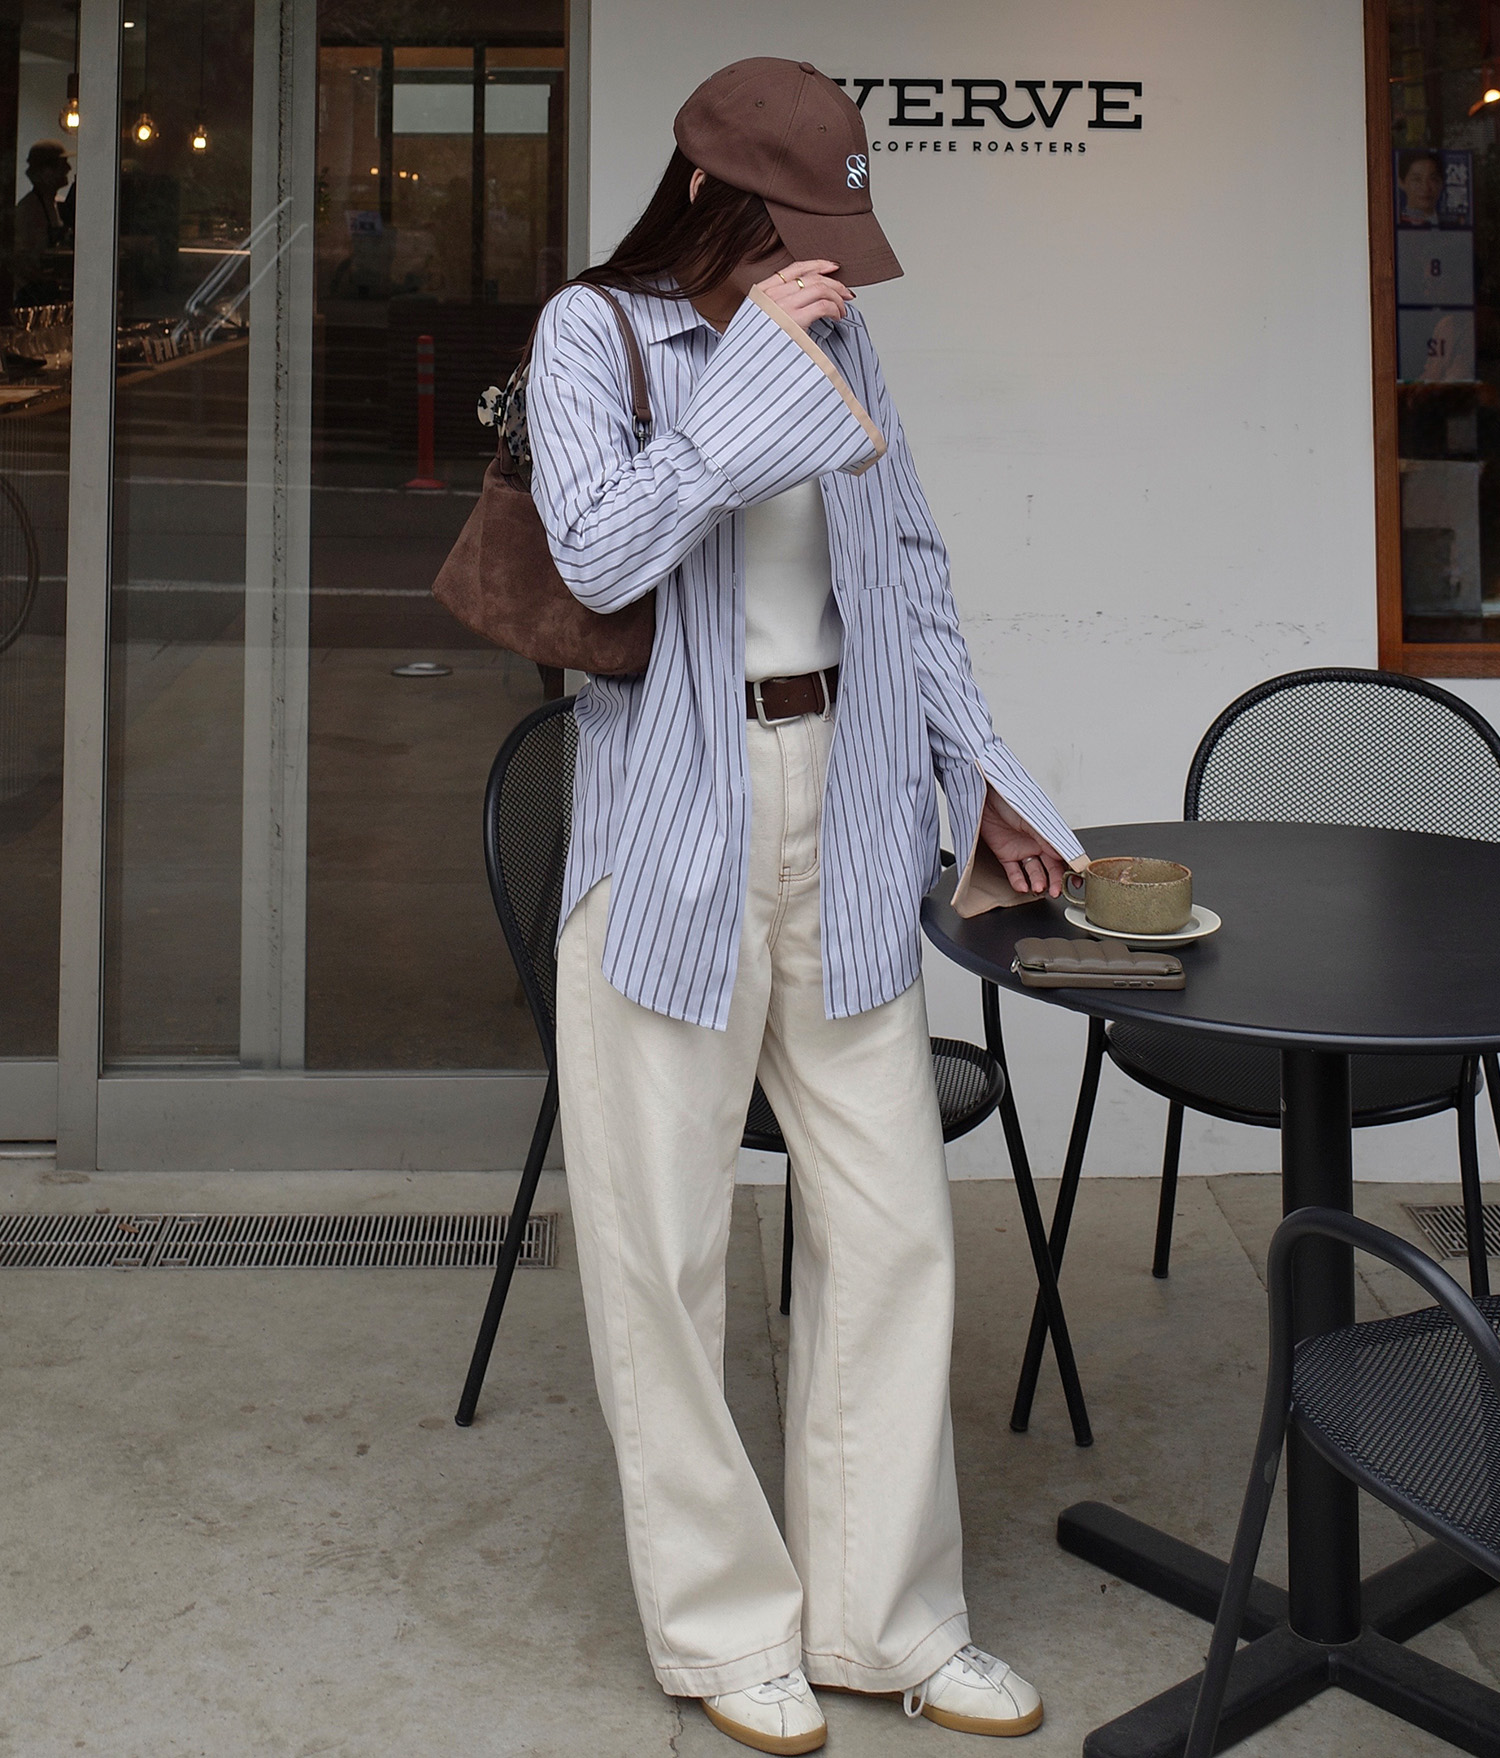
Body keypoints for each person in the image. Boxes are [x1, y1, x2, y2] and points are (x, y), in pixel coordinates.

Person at [526, 59, 1086, 1755]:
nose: (819, 261)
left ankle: (886, 1619)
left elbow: (905, 571)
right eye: (786, 223)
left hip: (847, 803)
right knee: (663, 1247)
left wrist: (983, 771)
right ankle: (723, 1629)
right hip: (668, 828)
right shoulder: (593, 333)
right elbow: (597, 552)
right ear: (707, 190)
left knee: (895, 1227)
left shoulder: (848, 329)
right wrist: (750, 381)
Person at [13, 139, 74, 303]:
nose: (68, 168)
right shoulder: (28, 210)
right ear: (45, 171)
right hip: (33, 297)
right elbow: (20, 261)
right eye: (62, 164)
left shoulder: (56, 204)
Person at [1397, 149, 1445, 226]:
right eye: (1417, 179)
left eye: (1433, 179)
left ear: (1441, 183)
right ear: (1401, 183)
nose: (1425, 188)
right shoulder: (1393, 223)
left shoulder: (1453, 224)